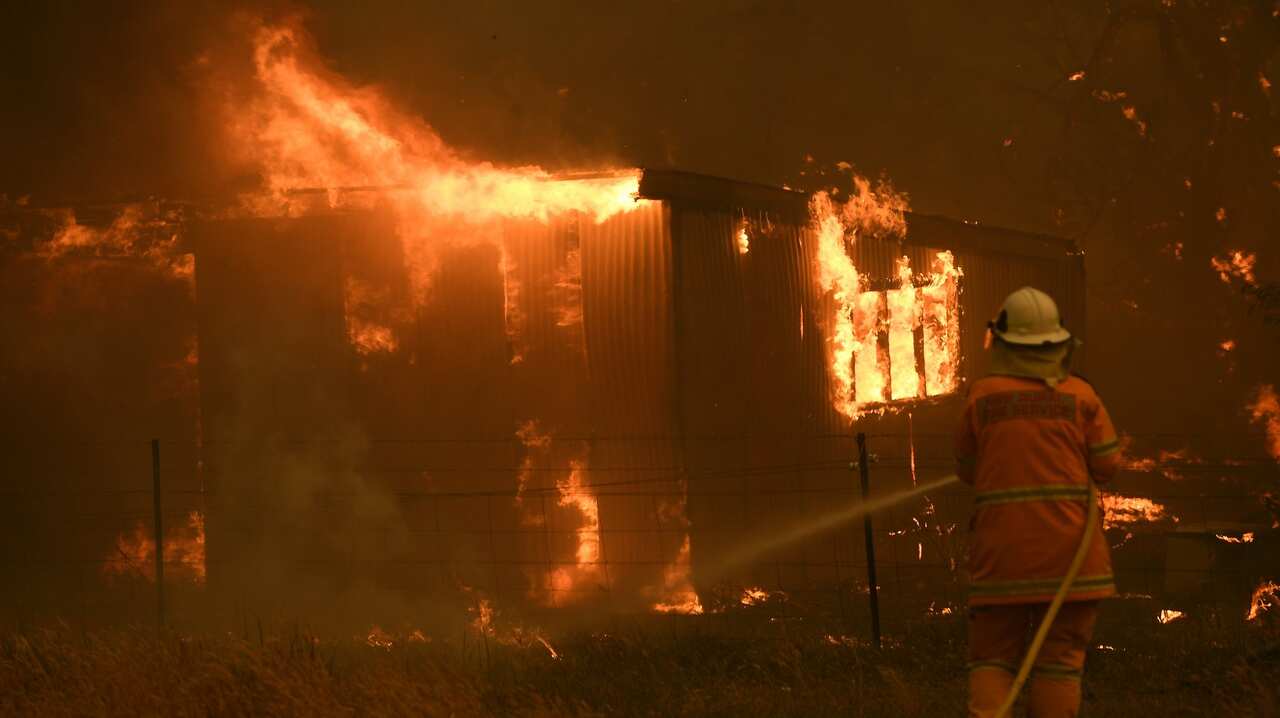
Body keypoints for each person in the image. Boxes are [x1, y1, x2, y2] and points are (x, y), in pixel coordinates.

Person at [955, 287, 1122, 718]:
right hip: (1072, 561)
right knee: (1060, 665)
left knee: (991, 659)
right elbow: (1107, 466)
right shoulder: (1082, 397)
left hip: (1000, 563)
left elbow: (967, 471)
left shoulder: (981, 398)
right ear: (1057, 343)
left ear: (1003, 343)